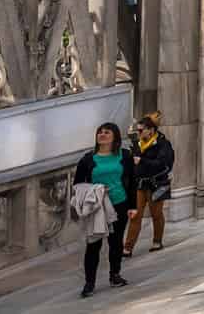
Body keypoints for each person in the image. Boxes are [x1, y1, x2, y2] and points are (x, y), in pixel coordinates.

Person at [73, 120, 136, 295]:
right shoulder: (87, 159)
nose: (102, 134)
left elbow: (132, 181)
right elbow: (78, 184)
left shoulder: (124, 156)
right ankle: (89, 283)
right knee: (93, 244)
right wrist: (96, 190)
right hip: (97, 207)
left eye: (107, 132)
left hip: (119, 203)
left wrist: (133, 206)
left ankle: (115, 274)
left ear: (115, 137)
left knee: (116, 243)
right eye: (100, 132)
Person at [124, 112, 173, 254]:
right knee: (135, 215)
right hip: (139, 183)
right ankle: (128, 247)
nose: (138, 133)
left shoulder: (163, 144)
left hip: (157, 183)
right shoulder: (137, 144)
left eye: (140, 130)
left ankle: (157, 241)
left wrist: (142, 161)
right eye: (137, 130)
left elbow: (164, 164)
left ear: (151, 130)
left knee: (156, 213)